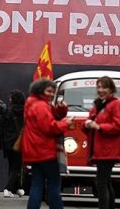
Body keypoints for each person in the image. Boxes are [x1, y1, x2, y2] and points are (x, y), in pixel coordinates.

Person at [22, 78, 73, 209]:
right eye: (49, 91)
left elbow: (51, 117)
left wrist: (62, 110)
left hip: (34, 151)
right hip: (45, 151)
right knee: (54, 184)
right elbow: (50, 127)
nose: (51, 94)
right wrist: (65, 123)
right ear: (40, 90)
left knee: (37, 184)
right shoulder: (41, 106)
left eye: (53, 91)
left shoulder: (33, 103)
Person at [82, 76, 120, 209]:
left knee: (101, 182)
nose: (101, 90)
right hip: (101, 149)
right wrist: (86, 125)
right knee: (105, 182)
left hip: (108, 150)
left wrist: (99, 127)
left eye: (104, 87)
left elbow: (119, 126)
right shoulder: (98, 105)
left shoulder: (116, 104)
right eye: (99, 87)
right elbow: (90, 124)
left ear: (111, 89)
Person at [0, 90, 26, 198]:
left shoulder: (7, 111)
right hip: (20, 141)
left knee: (12, 165)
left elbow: (1, 126)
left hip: (9, 142)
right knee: (17, 166)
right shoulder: (26, 111)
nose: (9, 99)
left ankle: (14, 188)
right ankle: (10, 188)